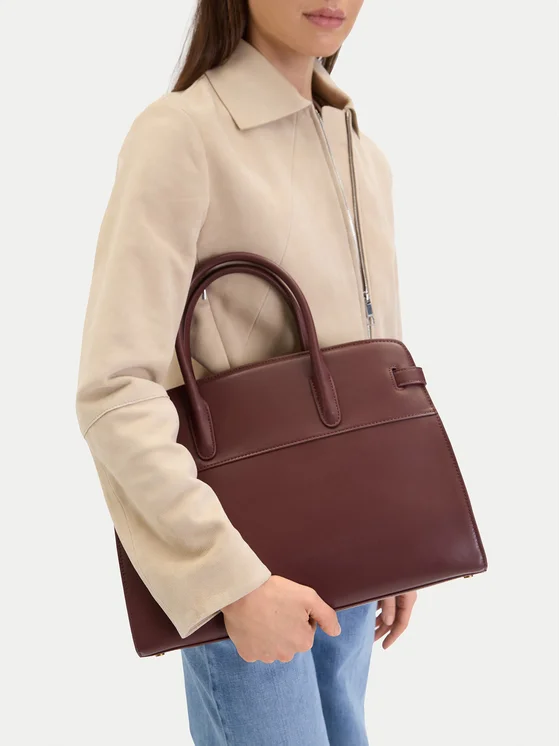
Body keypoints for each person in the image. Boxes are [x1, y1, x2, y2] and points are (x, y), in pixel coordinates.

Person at [75, 1, 418, 743]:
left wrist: (396, 537)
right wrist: (228, 581)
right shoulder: (182, 135)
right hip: (246, 568)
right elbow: (114, 389)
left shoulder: (363, 153)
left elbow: (376, 366)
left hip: (355, 555)